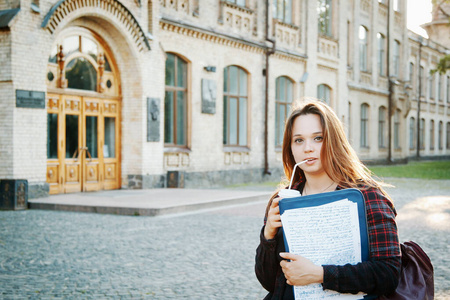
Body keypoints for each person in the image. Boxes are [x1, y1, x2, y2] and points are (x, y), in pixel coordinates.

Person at [255, 99, 401, 299]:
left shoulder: (367, 196)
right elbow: (269, 282)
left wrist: (320, 275)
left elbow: (388, 273)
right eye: (298, 140)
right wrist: (268, 236)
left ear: (334, 140)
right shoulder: (282, 201)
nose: (308, 148)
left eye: (318, 138)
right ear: (290, 147)